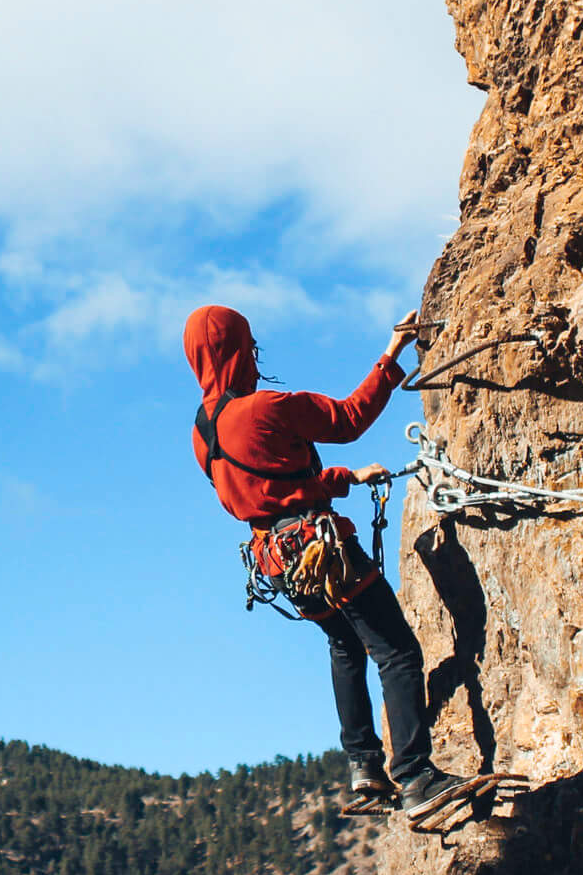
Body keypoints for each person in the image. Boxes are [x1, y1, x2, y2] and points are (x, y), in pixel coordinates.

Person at [184, 304, 490, 824]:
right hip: (322, 549)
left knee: (345, 644)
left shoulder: (203, 432)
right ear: (239, 348)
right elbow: (350, 419)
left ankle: (365, 768)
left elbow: (268, 492)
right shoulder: (266, 407)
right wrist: (392, 353)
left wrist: (345, 480)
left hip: (279, 562)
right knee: (396, 650)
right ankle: (416, 775)